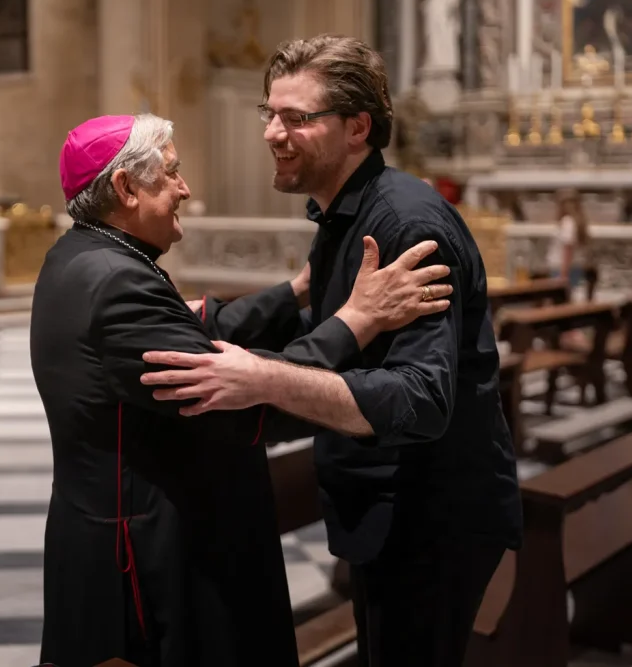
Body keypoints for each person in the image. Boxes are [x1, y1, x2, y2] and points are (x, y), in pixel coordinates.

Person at [140, 35, 523, 667]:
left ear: (357, 127)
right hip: (387, 511)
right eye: (269, 113)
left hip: (429, 518)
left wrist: (264, 380)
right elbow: (334, 329)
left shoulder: (405, 226)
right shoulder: (343, 216)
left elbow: (424, 397)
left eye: (296, 118)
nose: (272, 132)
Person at [30, 113, 453, 667]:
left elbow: (198, 326)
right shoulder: (116, 282)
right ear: (126, 187)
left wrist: (297, 292)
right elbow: (236, 397)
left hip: (124, 525)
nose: (184, 189)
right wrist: (357, 320)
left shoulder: (88, 255)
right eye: (172, 174)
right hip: (145, 554)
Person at [547, 187, 590, 290]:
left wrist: (563, 274)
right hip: (572, 268)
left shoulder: (568, 222)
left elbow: (568, 248)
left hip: (563, 269)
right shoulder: (576, 222)